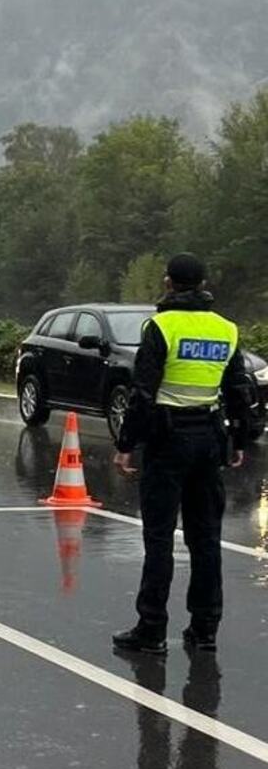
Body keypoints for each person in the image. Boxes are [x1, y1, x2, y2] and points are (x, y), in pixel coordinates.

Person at [111, 253, 252, 655]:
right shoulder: (226, 329)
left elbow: (142, 393)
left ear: (168, 283)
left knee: (159, 537)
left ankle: (151, 630)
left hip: (168, 439)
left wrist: (126, 445)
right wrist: (239, 440)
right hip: (209, 438)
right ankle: (205, 629)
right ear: (204, 285)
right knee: (206, 538)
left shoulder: (160, 327)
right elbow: (238, 390)